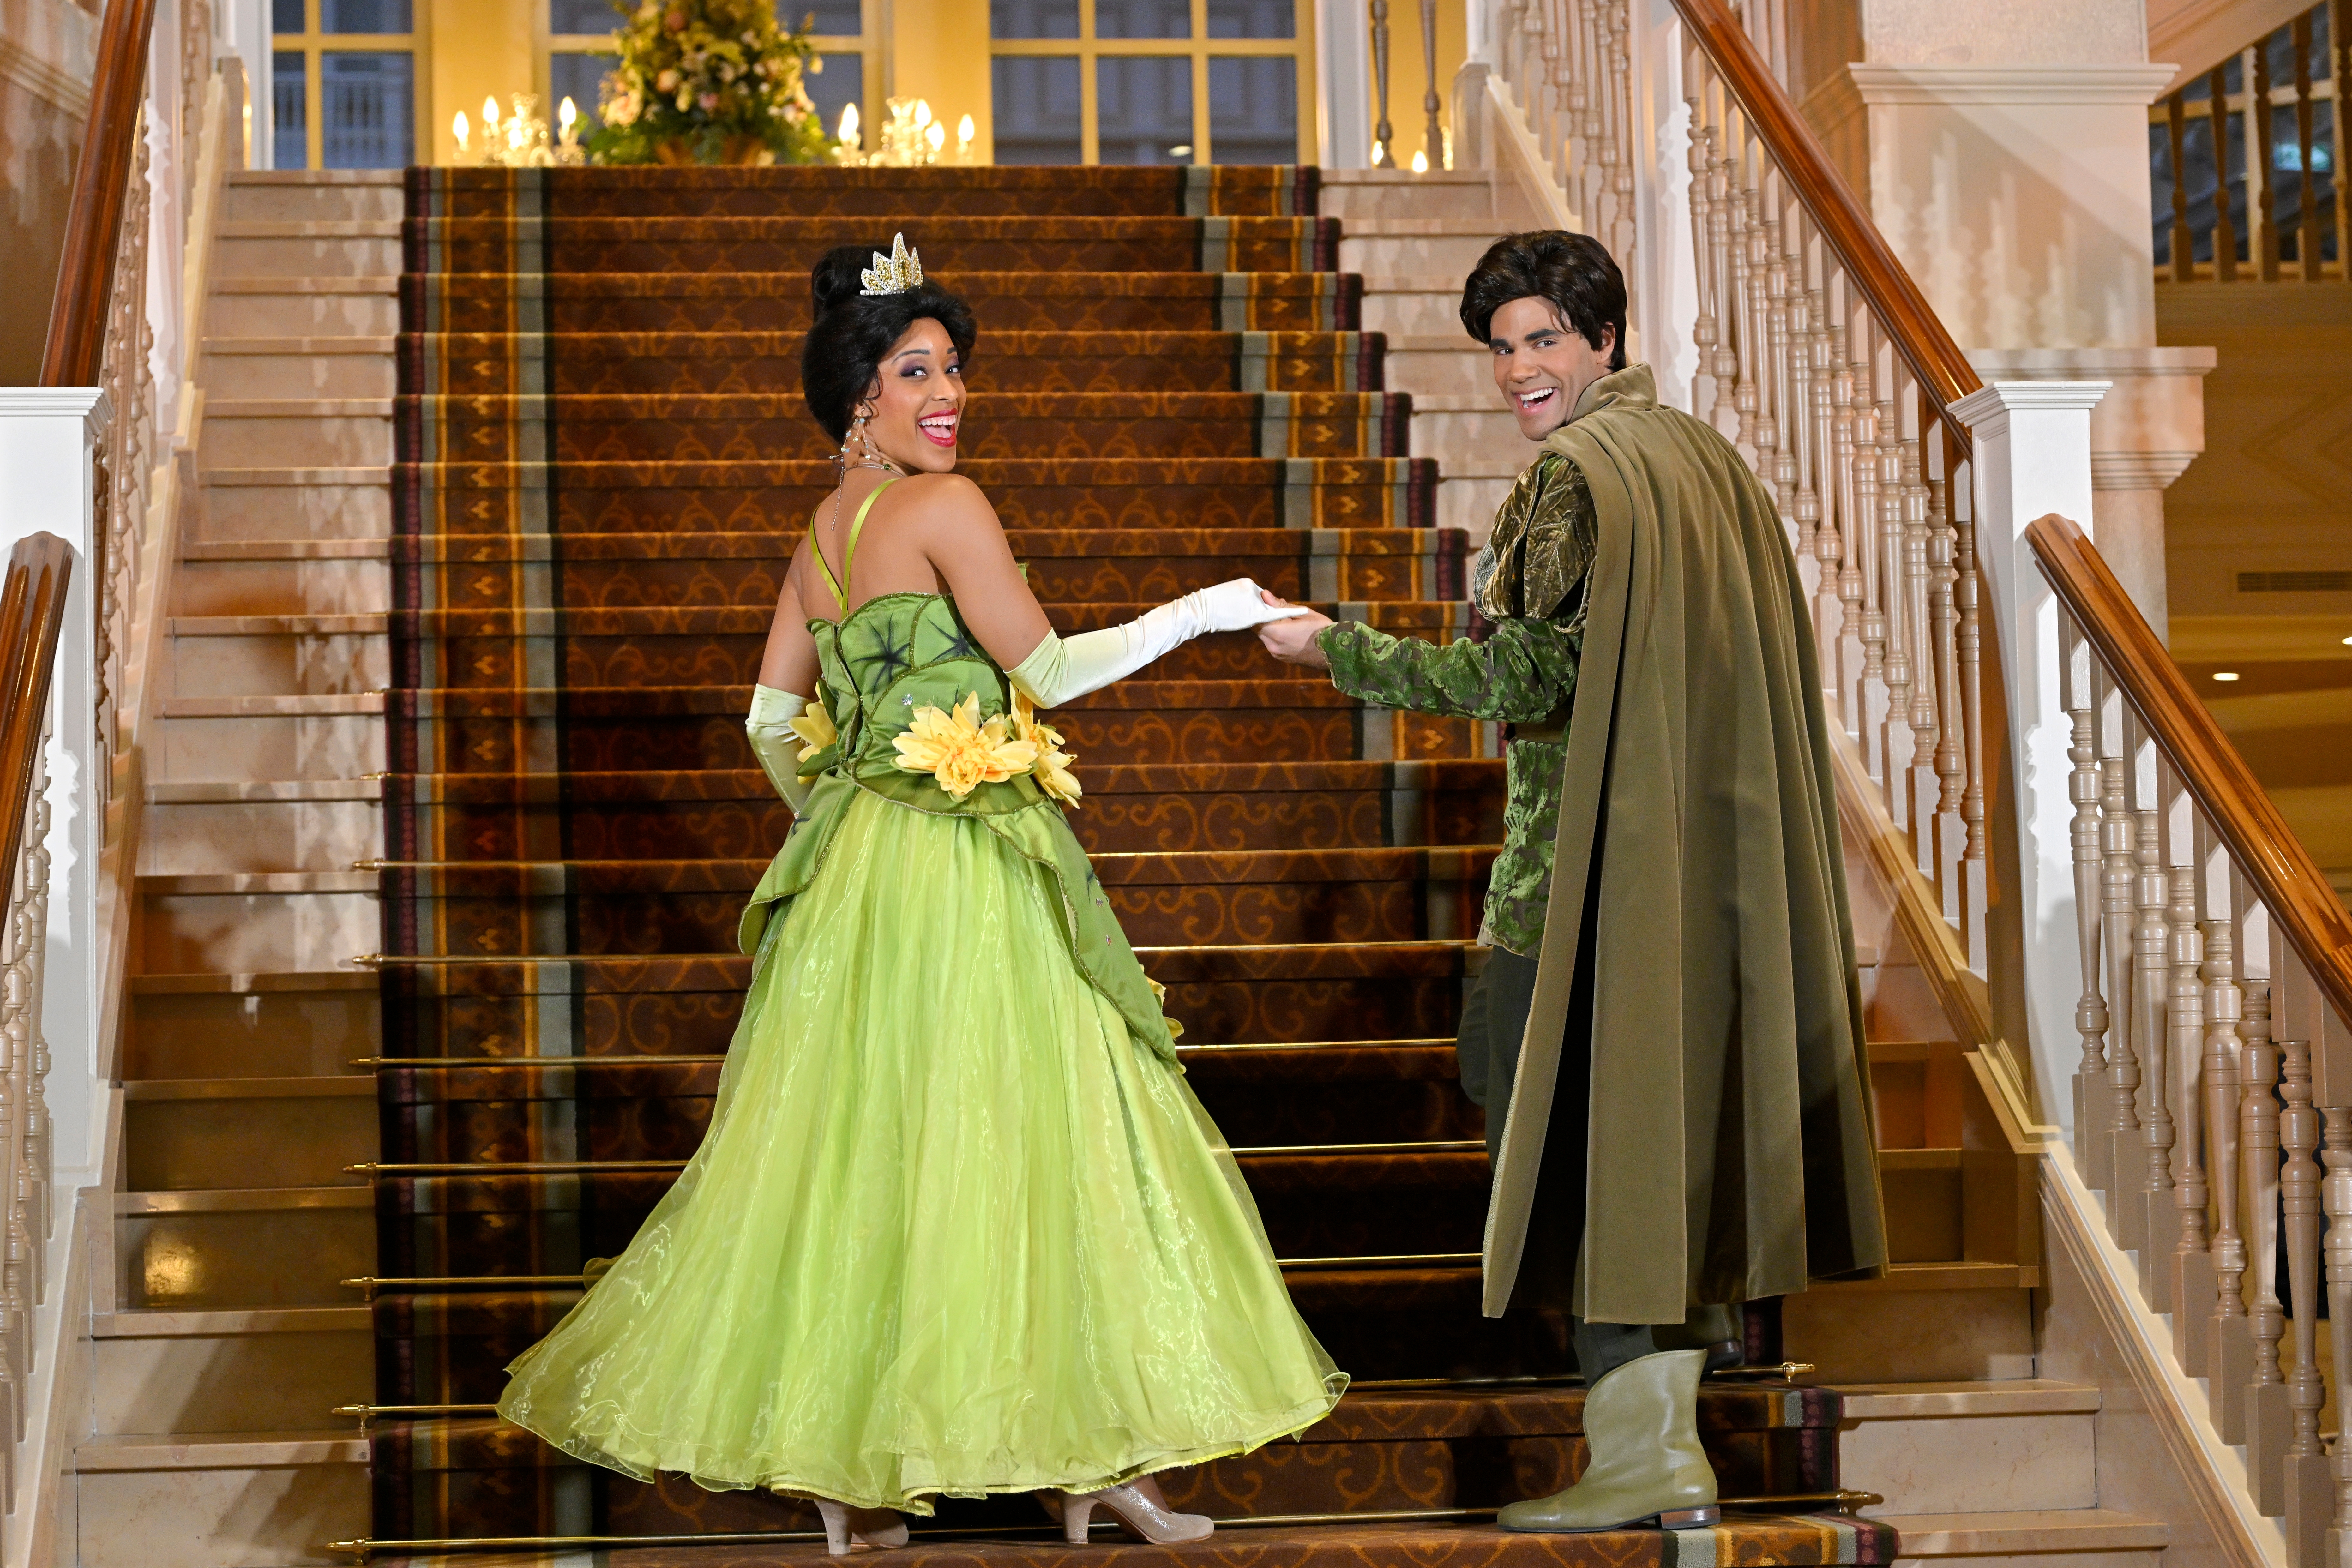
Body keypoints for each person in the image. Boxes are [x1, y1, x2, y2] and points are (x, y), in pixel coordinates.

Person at [496, 233, 1344, 1554]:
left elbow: (769, 722)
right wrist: (1209, 608)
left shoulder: (822, 534)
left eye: (952, 368)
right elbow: (1049, 673)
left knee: (863, 1159)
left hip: (861, 879)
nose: (948, 393)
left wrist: (845, 814)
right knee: (1044, 1138)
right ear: (860, 403)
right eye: (916, 371)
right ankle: (1098, 1461)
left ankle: (853, 1491)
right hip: (963, 874)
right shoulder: (946, 508)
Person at [1258, 231, 1884, 1534]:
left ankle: (1646, 1449)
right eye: (1499, 348)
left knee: (1554, 1129)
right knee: (1658, 1145)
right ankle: (1661, 1442)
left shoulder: (1571, 476)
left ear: (1602, 338)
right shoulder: (1706, 464)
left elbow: (1528, 682)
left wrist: (1340, 649)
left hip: (1580, 889)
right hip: (1701, 889)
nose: (1516, 370)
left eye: (1542, 338)